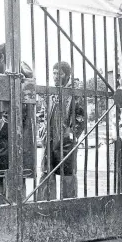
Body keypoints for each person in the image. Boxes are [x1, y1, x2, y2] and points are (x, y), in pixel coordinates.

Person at [0, 43, 35, 203]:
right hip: (8, 135)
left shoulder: (18, 76)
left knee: (12, 175)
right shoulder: (12, 74)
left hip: (10, 134)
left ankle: (11, 209)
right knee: (7, 175)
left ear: (2, 57)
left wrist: (2, 122)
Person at [37, 61, 85, 200]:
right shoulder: (51, 92)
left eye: (59, 73)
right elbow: (42, 113)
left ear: (66, 75)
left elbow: (81, 117)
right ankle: (45, 206)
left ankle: (68, 206)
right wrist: (42, 128)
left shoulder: (74, 93)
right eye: (54, 72)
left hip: (66, 142)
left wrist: (71, 135)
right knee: (47, 173)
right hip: (50, 139)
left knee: (68, 175)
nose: (56, 76)